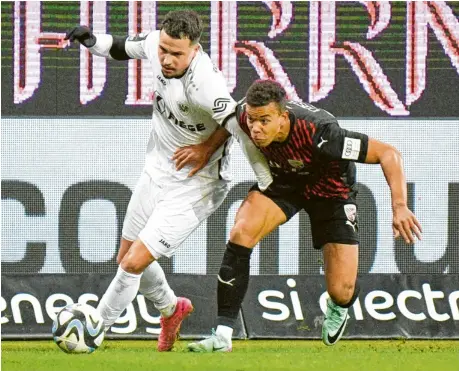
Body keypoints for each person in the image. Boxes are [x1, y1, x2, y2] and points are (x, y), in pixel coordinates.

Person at [65, 11, 271, 352]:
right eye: (164, 49)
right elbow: (121, 47)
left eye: (176, 53)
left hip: (197, 184)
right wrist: (91, 41)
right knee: (126, 257)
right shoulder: (156, 44)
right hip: (157, 169)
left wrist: (215, 152)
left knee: (134, 263)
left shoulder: (206, 84)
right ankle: (171, 309)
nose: (166, 58)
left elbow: (241, 126)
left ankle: (92, 331)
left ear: (195, 49)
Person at [187, 79, 423, 352]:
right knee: (241, 232)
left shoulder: (322, 134)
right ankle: (223, 335)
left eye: (264, 121)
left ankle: (341, 305)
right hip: (285, 183)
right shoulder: (245, 115)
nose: (255, 128)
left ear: (283, 117)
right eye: (252, 120)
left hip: (331, 192)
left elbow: (388, 153)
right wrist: (205, 148)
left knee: (341, 290)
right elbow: (230, 123)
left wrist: (400, 206)